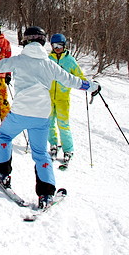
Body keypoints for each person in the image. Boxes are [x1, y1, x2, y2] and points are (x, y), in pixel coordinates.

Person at [0, 26, 101, 208]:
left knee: (4, 136)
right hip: (42, 117)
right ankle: (46, 194)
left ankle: (2, 173)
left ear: (25, 41)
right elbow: (72, 81)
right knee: (40, 153)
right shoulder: (50, 64)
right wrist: (93, 86)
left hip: (20, 113)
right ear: (43, 42)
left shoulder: (18, 60)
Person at [47, 33, 86, 165]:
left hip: (63, 98)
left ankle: (68, 149)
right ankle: (53, 144)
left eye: (60, 46)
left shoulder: (69, 61)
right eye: (54, 46)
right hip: (48, 97)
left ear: (64, 46)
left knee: (63, 124)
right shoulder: (48, 59)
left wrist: (89, 85)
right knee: (49, 122)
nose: (57, 48)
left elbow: (79, 76)